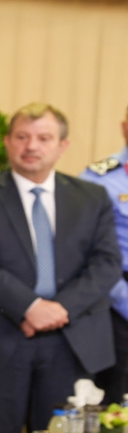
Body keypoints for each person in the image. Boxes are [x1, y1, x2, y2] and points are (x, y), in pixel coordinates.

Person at [0, 102, 121, 433]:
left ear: (63, 145)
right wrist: (30, 307)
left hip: (73, 340)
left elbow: (106, 263)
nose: (31, 146)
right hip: (0, 337)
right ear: (7, 142)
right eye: (22, 137)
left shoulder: (91, 197)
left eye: (44, 138)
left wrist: (59, 309)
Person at [79, 105, 128, 406]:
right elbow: (84, 250)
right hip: (117, 300)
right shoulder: (98, 178)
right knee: (116, 400)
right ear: (124, 128)